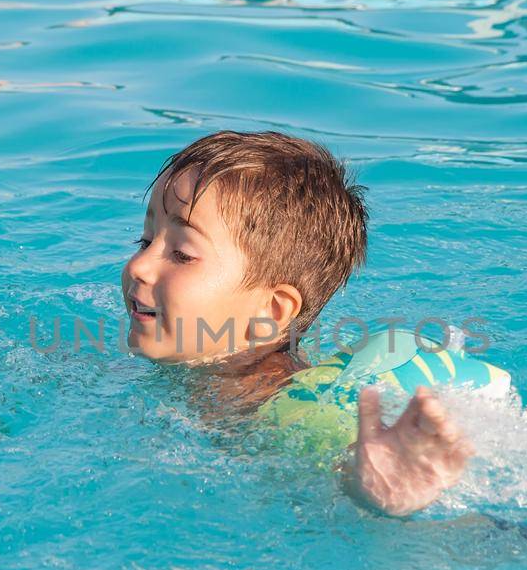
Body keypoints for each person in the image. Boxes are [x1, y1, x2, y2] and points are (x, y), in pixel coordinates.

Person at [120, 130, 475, 517]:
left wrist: (371, 490)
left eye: (182, 254)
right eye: (145, 240)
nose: (139, 265)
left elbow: (330, 463)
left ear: (271, 312)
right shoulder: (199, 368)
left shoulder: (289, 409)